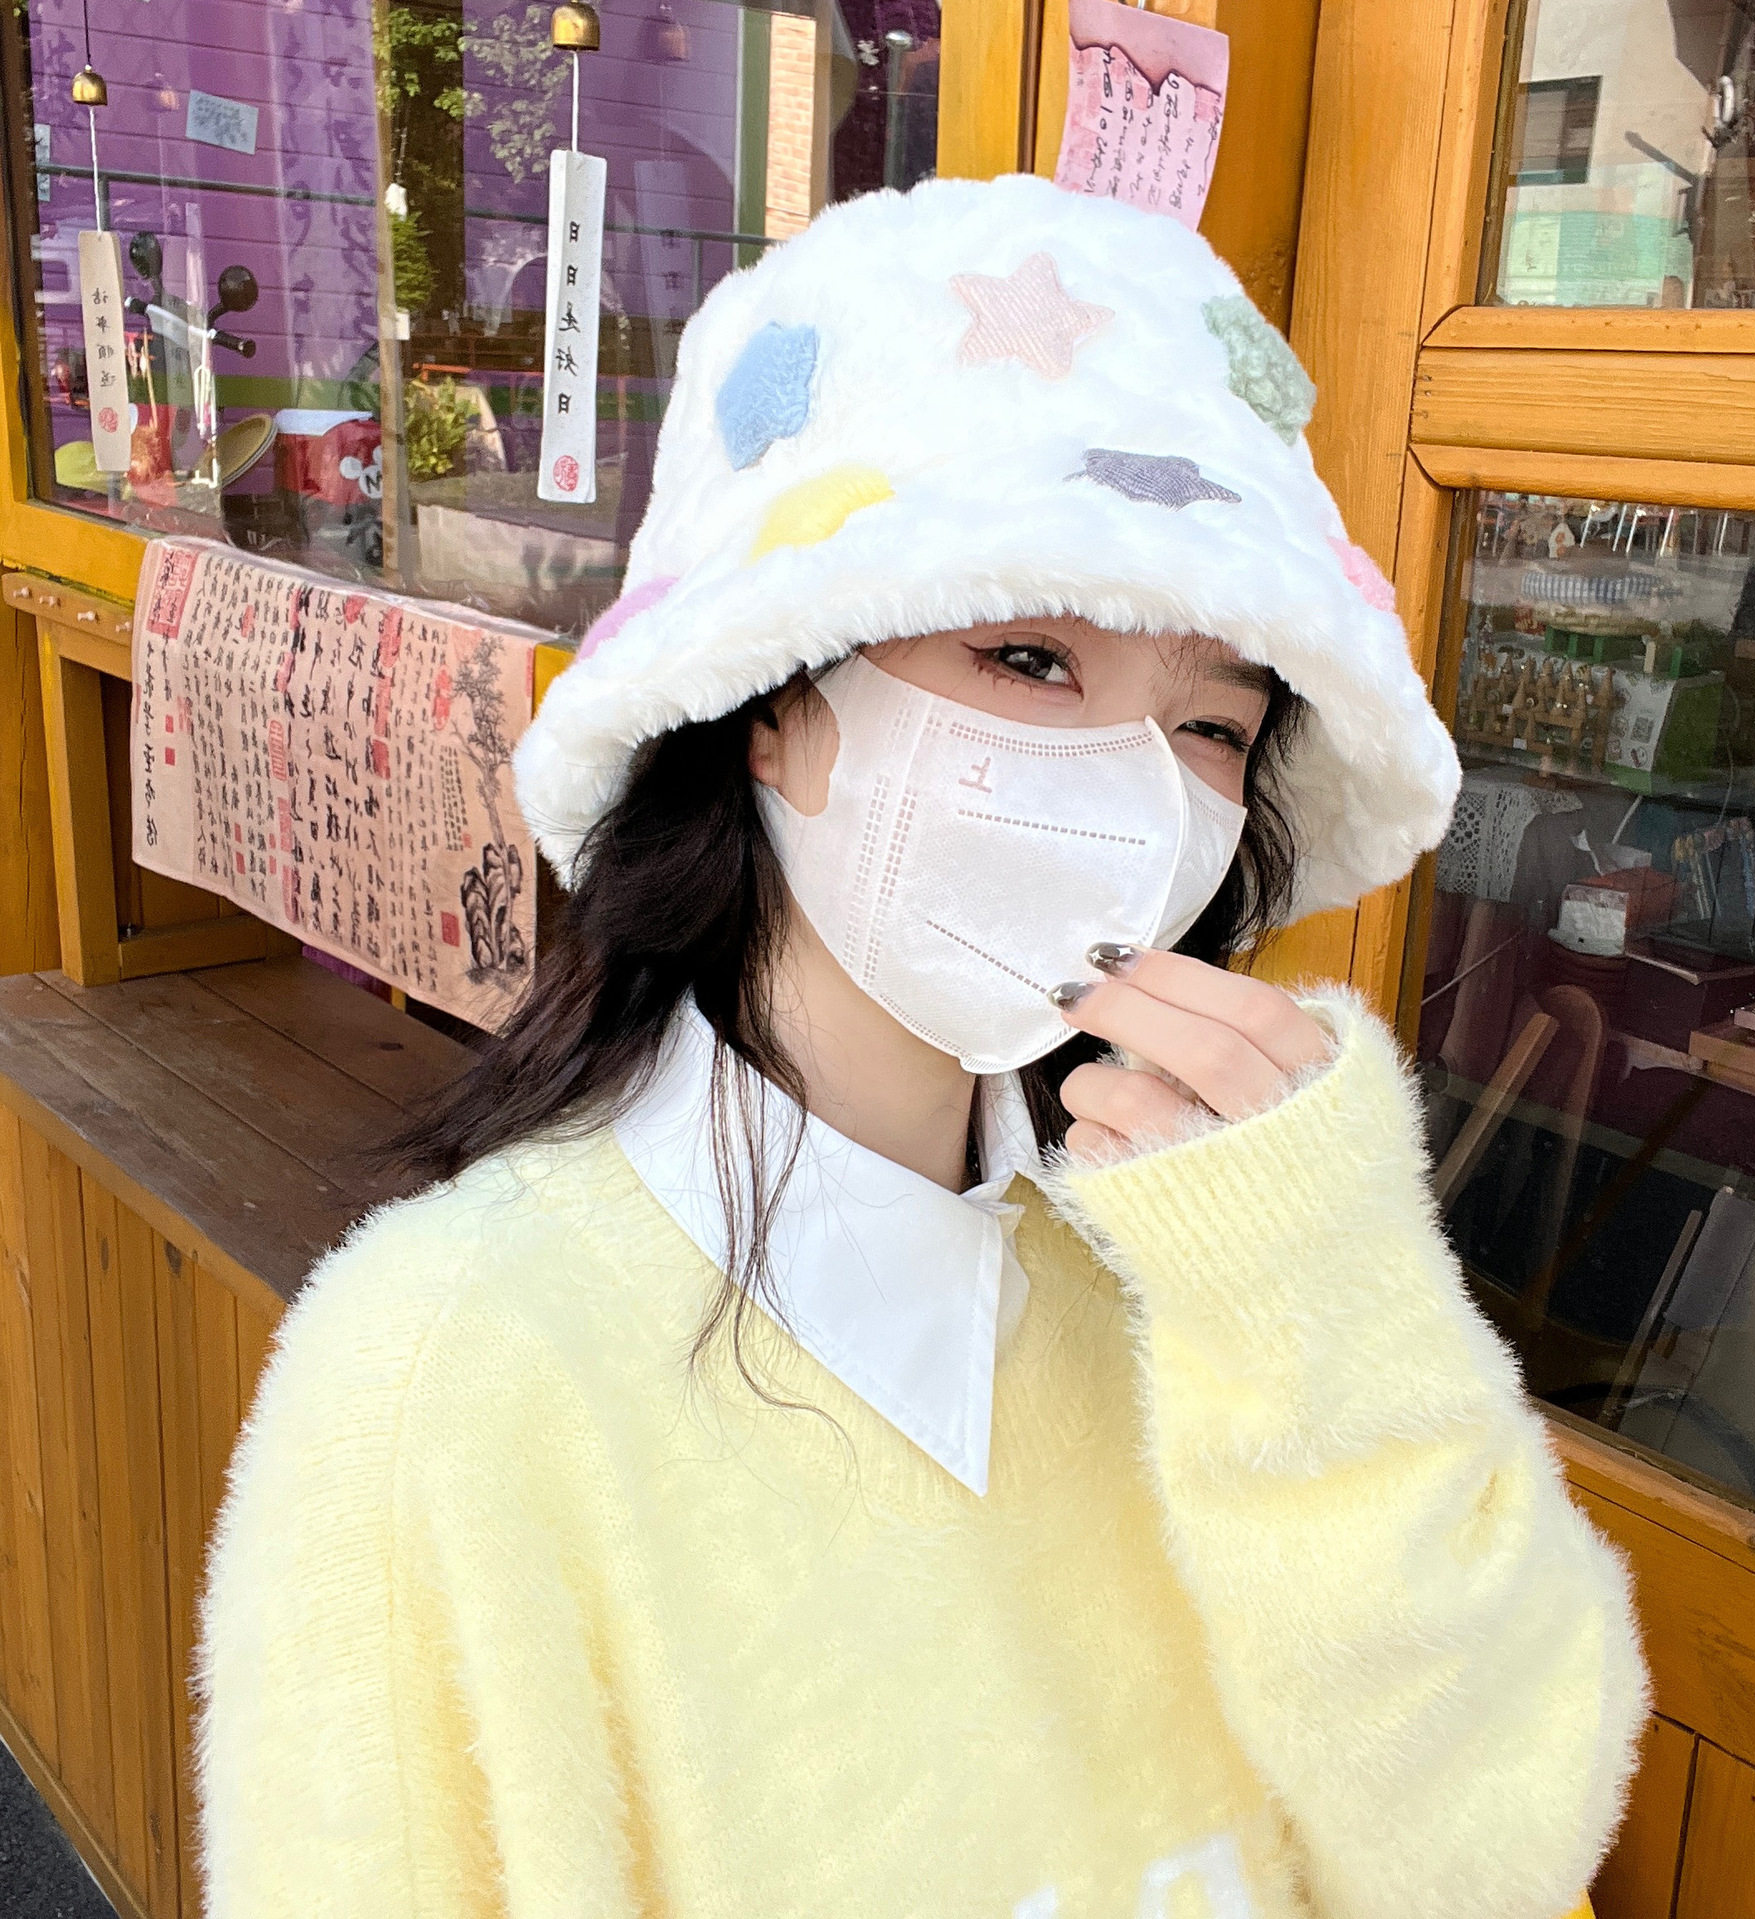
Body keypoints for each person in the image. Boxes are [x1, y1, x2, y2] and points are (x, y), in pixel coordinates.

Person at [198, 175, 1646, 1919]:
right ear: (770, 703)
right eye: (1029, 657)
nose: (1132, 792)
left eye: (1210, 724)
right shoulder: (446, 1372)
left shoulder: (1197, 1265)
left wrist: (1323, 1306)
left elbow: (1496, 1856)